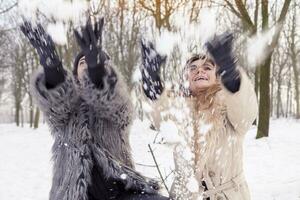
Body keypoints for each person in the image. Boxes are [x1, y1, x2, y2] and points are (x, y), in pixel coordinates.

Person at [21, 18, 168, 200]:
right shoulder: (66, 108)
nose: (88, 64)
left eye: (95, 61)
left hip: (121, 188)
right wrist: (52, 65)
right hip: (73, 193)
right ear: (74, 74)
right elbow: (57, 100)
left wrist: (96, 68)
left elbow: (111, 100)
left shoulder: (118, 100)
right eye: (82, 62)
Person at [140, 32, 258, 200]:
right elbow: (161, 117)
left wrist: (230, 74)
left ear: (217, 75)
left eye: (207, 67)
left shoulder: (229, 105)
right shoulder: (178, 109)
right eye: (193, 68)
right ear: (186, 77)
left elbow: (246, 114)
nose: (199, 71)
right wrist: (151, 78)